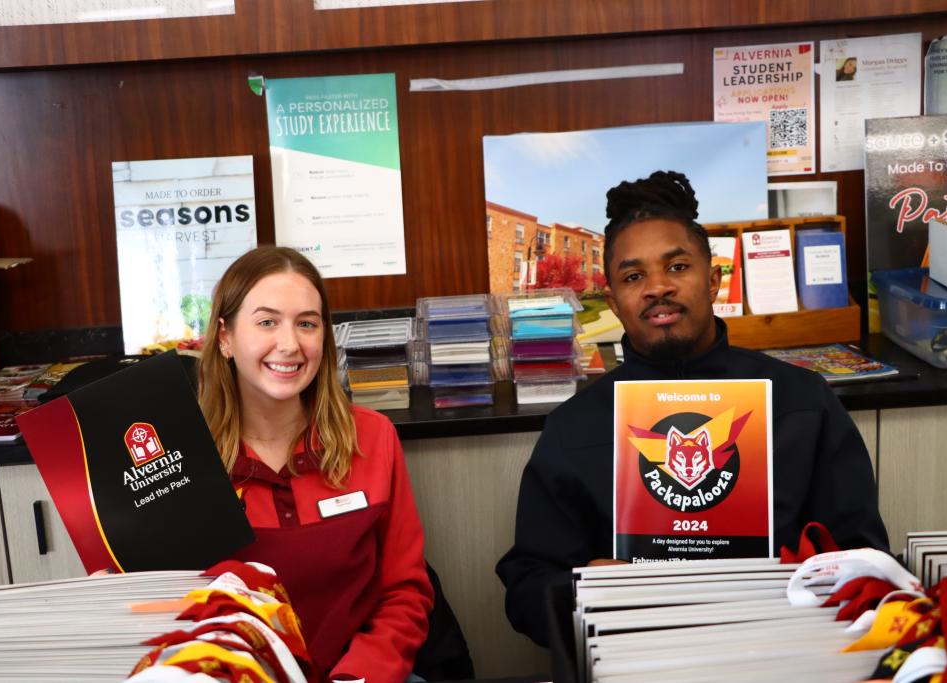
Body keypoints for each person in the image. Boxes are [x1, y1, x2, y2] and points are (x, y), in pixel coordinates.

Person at [495, 170, 889, 647]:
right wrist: (581, 588)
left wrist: (797, 580)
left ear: (714, 281)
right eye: (634, 276)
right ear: (615, 302)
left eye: (677, 267)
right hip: (637, 654)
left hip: (779, 650)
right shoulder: (576, 426)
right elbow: (526, 591)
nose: (657, 287)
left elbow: (867, 561)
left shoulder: (801, 401)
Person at [198, 246, 433, 682]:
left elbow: (404, 591)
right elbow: (169, 612)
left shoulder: (373, 437)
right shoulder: (182, 460)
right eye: (267, 322)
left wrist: (360, 676)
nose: (289, 344)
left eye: (306, 323)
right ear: (225, 337)